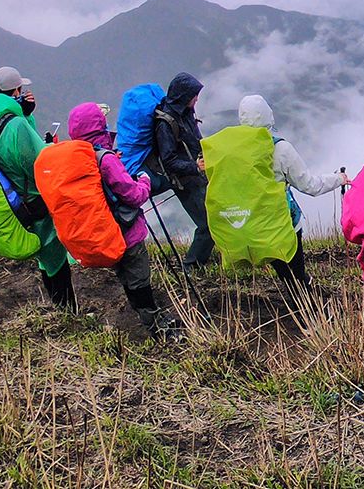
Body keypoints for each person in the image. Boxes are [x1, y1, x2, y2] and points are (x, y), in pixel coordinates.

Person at [64, 102, 177, 336]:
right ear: (98, 127)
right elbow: (134, 195)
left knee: (125, 275)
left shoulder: (77, 159)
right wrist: (144, 180)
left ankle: (141, 312)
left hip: (104, 231)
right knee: (139, 278)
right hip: (127, 231)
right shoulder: (105, 159)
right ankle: (154, 325)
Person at [225, 95, 349, 302]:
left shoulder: (230, 151)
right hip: (284, 223)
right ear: (268, 116)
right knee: (296, 272)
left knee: (282, 268)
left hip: (252, 221)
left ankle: (299, 290)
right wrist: (338, 179)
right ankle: (307, 309)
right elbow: (310, 185)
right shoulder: (281, 149)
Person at [0, 70, 71, 306]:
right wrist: (27, 120)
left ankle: (58, 307)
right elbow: (36, 163)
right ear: (16, 92)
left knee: (44, 255)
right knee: (53, 255)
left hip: (9, 199)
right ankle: (66, 310)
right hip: (32, 199)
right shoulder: (15, 125)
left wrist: (23, 116)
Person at [150, 73, 215, 269]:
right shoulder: (165, 123)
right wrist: (195, 166)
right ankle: (191, 266)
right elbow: (168, 160)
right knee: (207, 224)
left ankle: (200, 262)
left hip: (197, 175)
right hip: (185, 181)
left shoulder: (185, 113)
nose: (197, 98)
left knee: (213, 219)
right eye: (194, 95)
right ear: (184, 96)